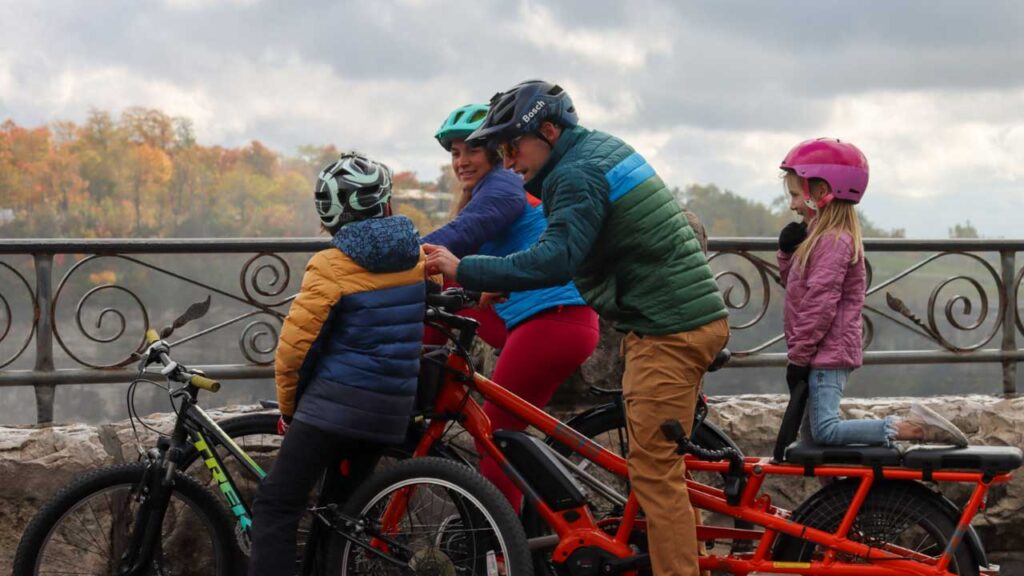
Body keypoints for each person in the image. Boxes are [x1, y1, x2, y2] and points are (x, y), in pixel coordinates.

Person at [423, 80, 729, 576]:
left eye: (512, 145)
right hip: (680, 322)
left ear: (547, 131)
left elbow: (558, 256)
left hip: (669, 331)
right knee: (665, 468)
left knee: (653, 475)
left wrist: (466, 269)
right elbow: (578, 250)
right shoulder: (593, 151)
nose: (508, 158)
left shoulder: (575, 173)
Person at [248, 152, 428, 576]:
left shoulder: (330, 264)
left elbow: (294, 350)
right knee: (341, 513)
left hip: (334, 408)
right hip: (390, 410)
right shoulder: (417, 256)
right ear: (384, 203)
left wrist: (290, 410)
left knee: (276, 504)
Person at [422, 103, 599, 511]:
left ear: (496, 152)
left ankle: (505, 549)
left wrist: (394, 254)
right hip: (546, 321)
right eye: (454, 153)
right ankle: (428, 382)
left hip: (553, 320)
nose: (461, 161)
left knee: (497, 436)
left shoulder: (501, 185)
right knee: (442, 292)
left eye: (471, 150)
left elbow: (459, 236)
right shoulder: (491, 187)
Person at [777, 138, 968, 450]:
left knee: (824, 432)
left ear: (822, 193)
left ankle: (912, 428)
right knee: (811, 443)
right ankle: (847, 499)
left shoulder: (834, 241)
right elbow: (797, 288)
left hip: (827, 355)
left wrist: (798, 356)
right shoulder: (816, 238)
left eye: (796, 195)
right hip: (816, 352)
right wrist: (787, 253)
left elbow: (819, 303)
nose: (792, 204)